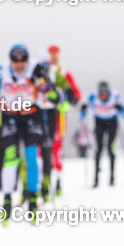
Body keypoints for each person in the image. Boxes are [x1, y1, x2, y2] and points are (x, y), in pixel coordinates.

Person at [0, 43, 50, 223]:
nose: (19, 65)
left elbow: (50, 90)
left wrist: (46, 88)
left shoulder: (36, 69)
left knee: (31, 156)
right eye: (15, 61)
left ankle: (33, 198)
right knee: (11, 158)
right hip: (10, 116)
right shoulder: (1, 71)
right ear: (10, 61)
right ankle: (7, 199)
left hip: (32, 116)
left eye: (23, 61)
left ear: (27, 60)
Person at [37, 45, 80, 200]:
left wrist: (67, 102)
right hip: (41, 112)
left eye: (56, 54)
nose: (53, 57)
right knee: (40, 149)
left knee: (56, 147)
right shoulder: (35, 71)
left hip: (59, 114)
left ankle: (58, 181)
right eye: (51, 54)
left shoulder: (62, 72)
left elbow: (74, 92)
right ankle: (42, 182)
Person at [80, 81, 124, 187]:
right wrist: (83, 110)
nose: (103, 95)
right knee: (99, 148)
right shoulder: (93, 97)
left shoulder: (115, 96)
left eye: (105, 93)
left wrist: (121, 109)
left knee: (111, 148)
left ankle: (112, 177)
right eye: (101, 93)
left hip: (112, 123)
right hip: (99, 123)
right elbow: (83, 113)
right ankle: (96, 178)